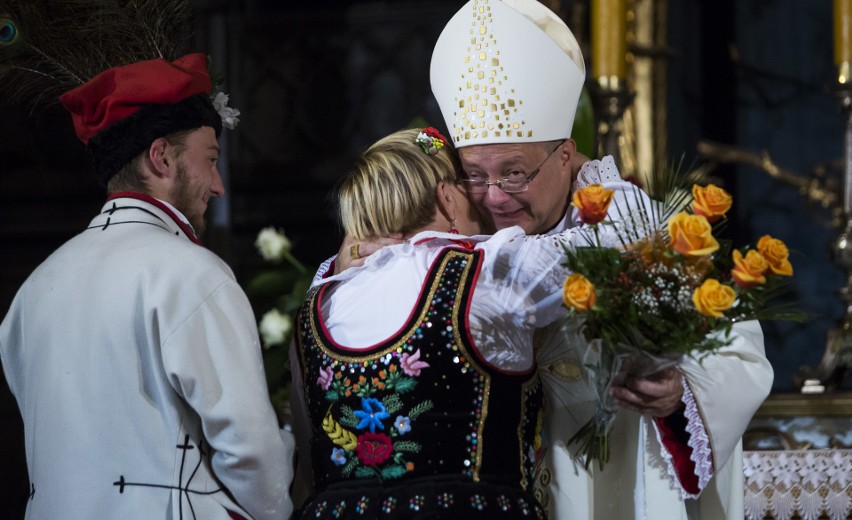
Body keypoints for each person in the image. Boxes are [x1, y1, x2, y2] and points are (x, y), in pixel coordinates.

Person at [428, 0, 773, 520]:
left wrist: (678, 394)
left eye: (514, 173)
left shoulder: (642, 231)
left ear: (565, 153)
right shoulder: (449, 236)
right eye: (474, 175)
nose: (493, 196)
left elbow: (739, 354)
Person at [291, 127, 647, 519]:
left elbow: (309, 460)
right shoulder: (487, 270)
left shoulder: (317, 305)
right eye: (470, 182)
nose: (488, 200)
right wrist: (575, 166)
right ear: (446, 198)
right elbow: (631, 237)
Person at [0, 53, 295, 519]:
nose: (218, 186)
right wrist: (275, 508)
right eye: (211, 160)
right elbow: (250, 448)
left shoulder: (34, 288)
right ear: (161, 158)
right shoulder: (191, 272)